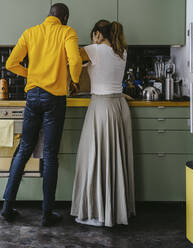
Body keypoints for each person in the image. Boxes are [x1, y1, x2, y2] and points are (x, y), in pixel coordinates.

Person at [1, 3, 82, 226]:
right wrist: (74, 81)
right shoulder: (67, 32)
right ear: (64, 17)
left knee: (24, 149)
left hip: (32, 97)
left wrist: (31, 74)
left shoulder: (30, 32)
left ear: (49, 15)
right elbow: (75, 61)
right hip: (54, 98)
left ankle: (7, 206)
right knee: (50, 154)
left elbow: (11, 63)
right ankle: (47, 213)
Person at [71, 20, 136, 227]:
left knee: (94, 157)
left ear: (98, 34)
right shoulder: (122, 52)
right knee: (114, 159)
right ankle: (115, 211)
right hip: (119, 105)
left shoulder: (95, 50)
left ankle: (97, 214)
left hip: (101, 107)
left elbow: (71, 57)